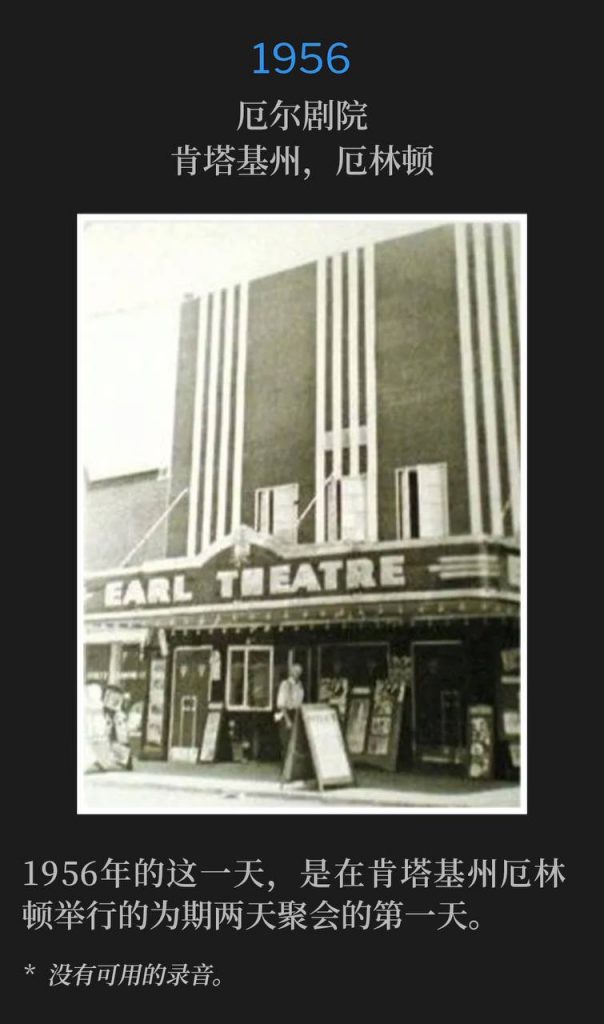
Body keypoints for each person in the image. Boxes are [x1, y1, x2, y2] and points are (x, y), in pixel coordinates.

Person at [274, 662, 305, 758]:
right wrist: (287, 720)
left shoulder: (300, 685)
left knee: (294, 742)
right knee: (286, 742)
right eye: (295, 671)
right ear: (291, 672)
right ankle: (285, 768)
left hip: (296, 714)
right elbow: (281, 704)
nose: (297, 673)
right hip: (286, 714)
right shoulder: (285, 684)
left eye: (299, 672)